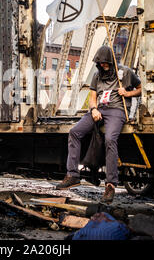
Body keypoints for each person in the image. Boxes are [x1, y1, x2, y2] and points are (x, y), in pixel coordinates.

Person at [55, 46, 142, 203]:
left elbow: (141, 88)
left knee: (110, 139)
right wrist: (94, 109)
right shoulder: (96, 76)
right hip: (99, 109)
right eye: (100, 63)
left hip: (117, 110)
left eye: (105, 63)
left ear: (111, 61)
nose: (103, 66)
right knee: (74, 132)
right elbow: (93, 97)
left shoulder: (125, 73)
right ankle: (73, 175)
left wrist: (128, 93)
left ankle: (110, 185)